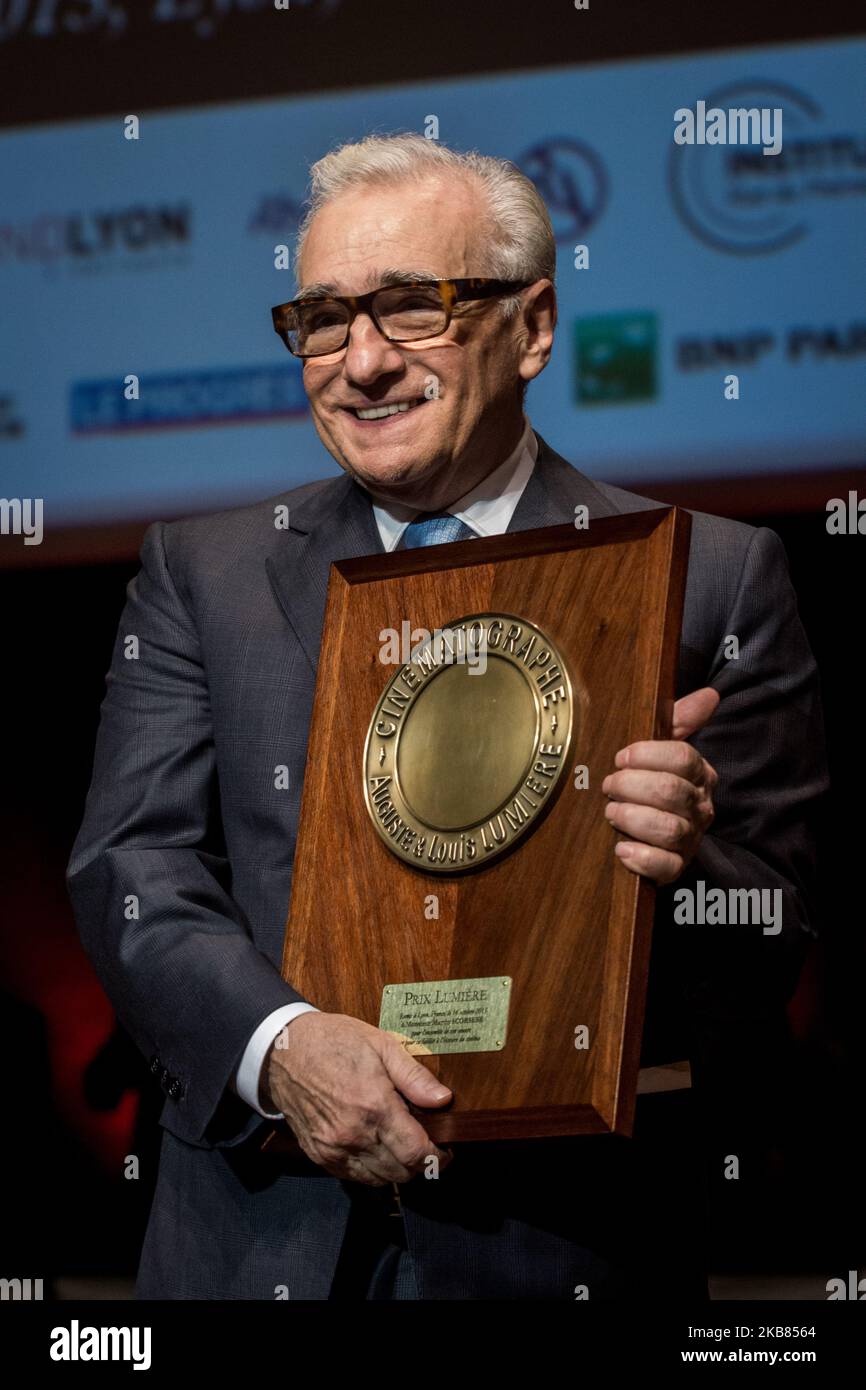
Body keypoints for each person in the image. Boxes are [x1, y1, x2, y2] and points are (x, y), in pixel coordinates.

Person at [67, 134, 827, 1300]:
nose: (360, 361)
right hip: (253, 1243)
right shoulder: (203, 572)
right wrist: (283, 1051)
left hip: (562, 1248)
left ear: (530, 329)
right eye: (322, 320)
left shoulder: (708, 578)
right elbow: (134, 864)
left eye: (411, 308)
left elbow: (774, 937)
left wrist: (681, 863)